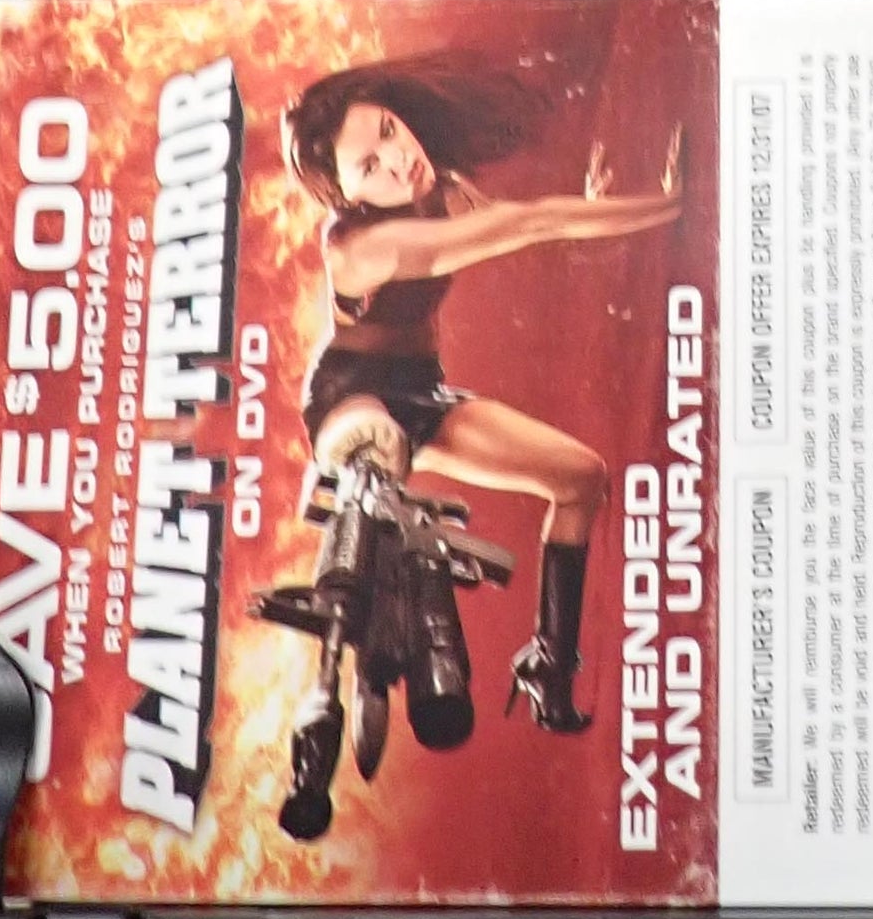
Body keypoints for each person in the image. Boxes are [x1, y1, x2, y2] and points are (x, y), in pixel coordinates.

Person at [283, 53, 682, 732]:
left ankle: (549, 663)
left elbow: (527, 228)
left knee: (581, 479)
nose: (398, 160)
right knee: (371, 454)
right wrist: (669, 204)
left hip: (421, 391)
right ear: (346, 196)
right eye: (369, 166)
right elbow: (534, 223)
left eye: (389, 130)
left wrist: (596, 211)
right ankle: (365, 655)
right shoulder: (368, 245)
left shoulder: (442, 188)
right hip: (351, 398)